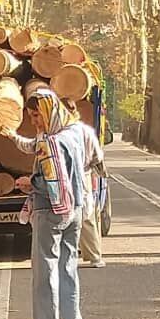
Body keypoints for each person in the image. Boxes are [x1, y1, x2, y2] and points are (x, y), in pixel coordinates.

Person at [1, 90, 87, 319]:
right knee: (68, 269)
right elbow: (35, 146)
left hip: (49, 209)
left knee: (44, 271)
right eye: (31, 116)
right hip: (75, 209)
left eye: (37, 115)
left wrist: (30, 182)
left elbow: (49, 178)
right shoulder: (74, 133)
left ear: (49, 111)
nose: (35, 121)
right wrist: (13, 136)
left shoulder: (51, 142)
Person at [63, 100, 107, 268]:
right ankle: (94, 256)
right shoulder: (86, 131)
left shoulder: (59, 131)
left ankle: (71, 254)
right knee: (86, 214)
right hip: (84, 175)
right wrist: (101, 173)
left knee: (71, 213)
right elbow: (98, 157)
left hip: (68, 176)